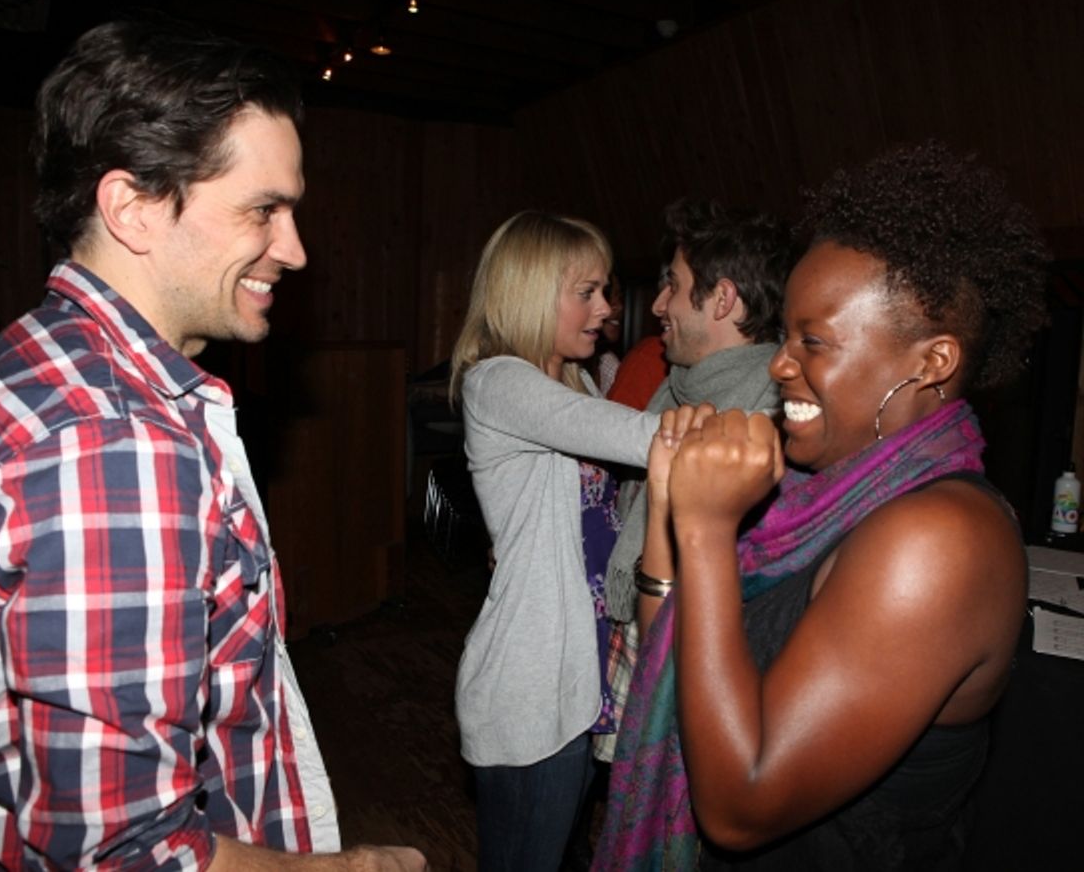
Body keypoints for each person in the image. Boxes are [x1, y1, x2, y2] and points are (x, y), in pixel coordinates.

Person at [0, 20, 426, 871]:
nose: (293, 250)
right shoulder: (112, 447)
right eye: (264, 210)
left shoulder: (24, 365)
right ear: (133, 208)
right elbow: (126, 852)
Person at [594, 140, 1049, 870]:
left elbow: (743, 806)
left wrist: (708, 532)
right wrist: (671, 506)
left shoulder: (940, 540)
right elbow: (679, 658)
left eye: (813, 341)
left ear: (931, 362)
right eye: (785, 337)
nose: (779, 365)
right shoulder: (813, 497)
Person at [449, 210, 664, 871]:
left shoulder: (579, 378)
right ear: (533, 292)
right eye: (588, 292)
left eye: (606, 291)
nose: (606, 308)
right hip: (530, 688)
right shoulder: (501, 382)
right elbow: (646, 440)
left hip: (577, 676)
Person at [596, 199, 795, 764]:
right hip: (642, 629)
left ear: (724, 298)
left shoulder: (768, 408)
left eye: (673, 287)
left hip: (695, 651)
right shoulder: (678, 384)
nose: (657, 305)